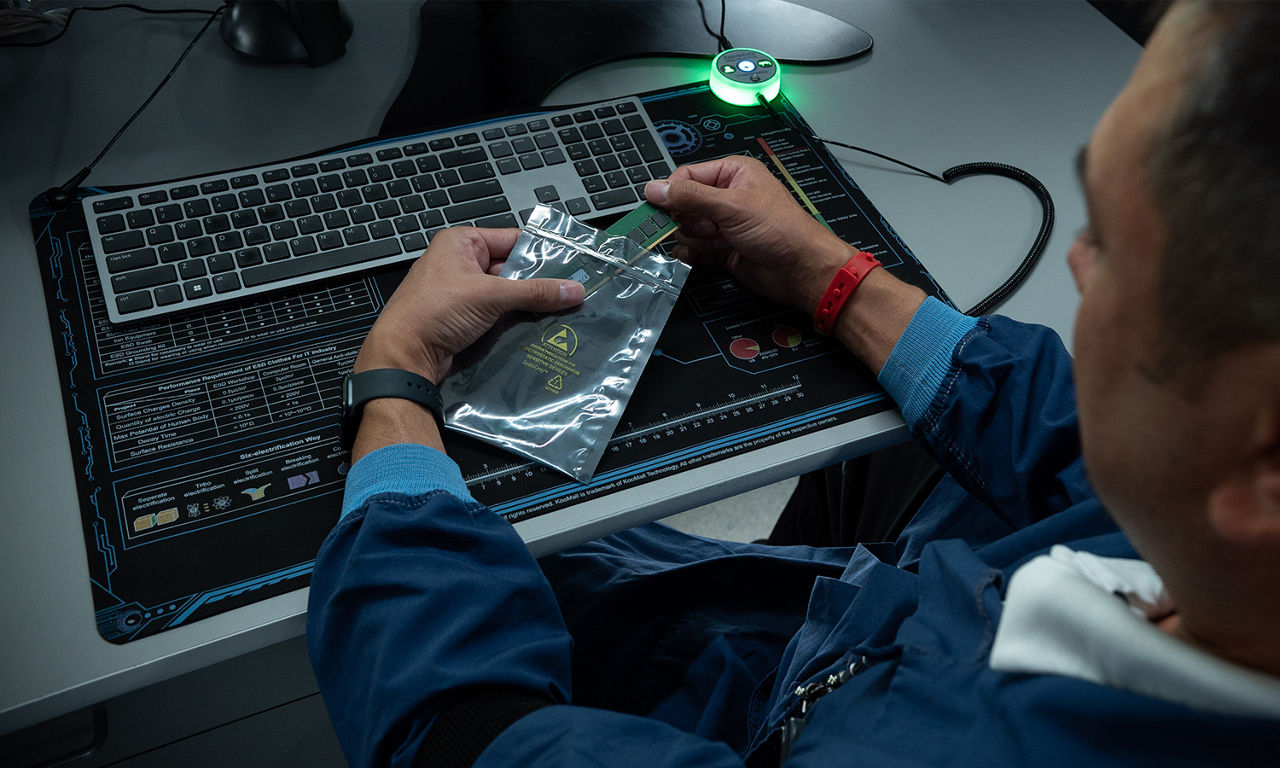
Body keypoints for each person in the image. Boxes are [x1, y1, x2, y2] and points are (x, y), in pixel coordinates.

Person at [307, 2, 1280, 766]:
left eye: (1105, 243)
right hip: (897, 623)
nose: (1072, 262)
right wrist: (833, 278)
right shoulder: (1236, 574)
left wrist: (396, 384)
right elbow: (1066, 441)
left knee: (503, 559)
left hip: (816, 704)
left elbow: (464, 732)